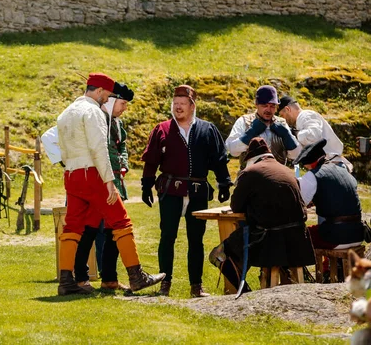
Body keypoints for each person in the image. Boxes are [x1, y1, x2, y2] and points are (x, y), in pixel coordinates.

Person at [56, 72, 165, 295]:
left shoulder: (65, 114)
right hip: (92, 173)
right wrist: (108, 181)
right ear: (98, 91)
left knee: (73, 226)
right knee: (121, 220)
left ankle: (66, 280)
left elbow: (63, 151)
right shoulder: (93, 112)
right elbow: (99, 149)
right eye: (106, 94)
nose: (107, 99)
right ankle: (137, 276)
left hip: (71, 173)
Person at [141, 84, 232, 297]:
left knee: (196, 239)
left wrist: (224, 182)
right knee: (167, 237)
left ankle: (196, 286)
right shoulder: (162, 129)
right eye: (175, 104)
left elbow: (219, 159)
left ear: (192, 106)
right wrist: (146, 185)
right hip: (170, 191)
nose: (178, 108)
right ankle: (165, 283)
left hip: (198, 191)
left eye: (182, 104)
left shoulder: (207, 129)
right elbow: (151, 160)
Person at [209, 137, 315, 293]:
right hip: (298, 241)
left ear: (251, 158)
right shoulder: (288, 171)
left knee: (218, 254)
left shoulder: (250, 172)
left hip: (269, 242)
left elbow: (236, 205)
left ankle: (245, 294)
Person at [74, 82, 134, 291]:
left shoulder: (116, 124)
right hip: (98, 182)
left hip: (115, 181)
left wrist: (124, 164)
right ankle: (80, 278)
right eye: (122, 103)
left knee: (112, 232)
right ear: (111, 101)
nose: (124, 108)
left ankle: (109, 278)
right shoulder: (96, 118)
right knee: (89, 230)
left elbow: (122, 147)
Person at [294, 139, 364, 250]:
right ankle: (332, 266)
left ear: (310, 164)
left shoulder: (312, 176)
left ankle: (293, 267)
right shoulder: (344, 171)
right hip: (359, 233)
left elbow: (299, 203)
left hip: (336, 236)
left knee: (296, 237)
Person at [226, 85, 301, 170]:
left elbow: (296, 155)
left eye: (272, 106)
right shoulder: (244, 121)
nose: (268, 110)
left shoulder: (282, 123)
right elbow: (232, 150)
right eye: (264, 105)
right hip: (250, 178)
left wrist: (287, 135)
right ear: (256, 104)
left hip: (276, 177)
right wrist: (250, 133)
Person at [277, 96, 352, 171]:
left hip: (332, 165)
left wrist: (296, 134)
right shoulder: (299, 122)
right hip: (325, 166)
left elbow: (313, 136)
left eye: (282, 115)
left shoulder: (306, 116)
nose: (284, 119)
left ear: (288, 109)